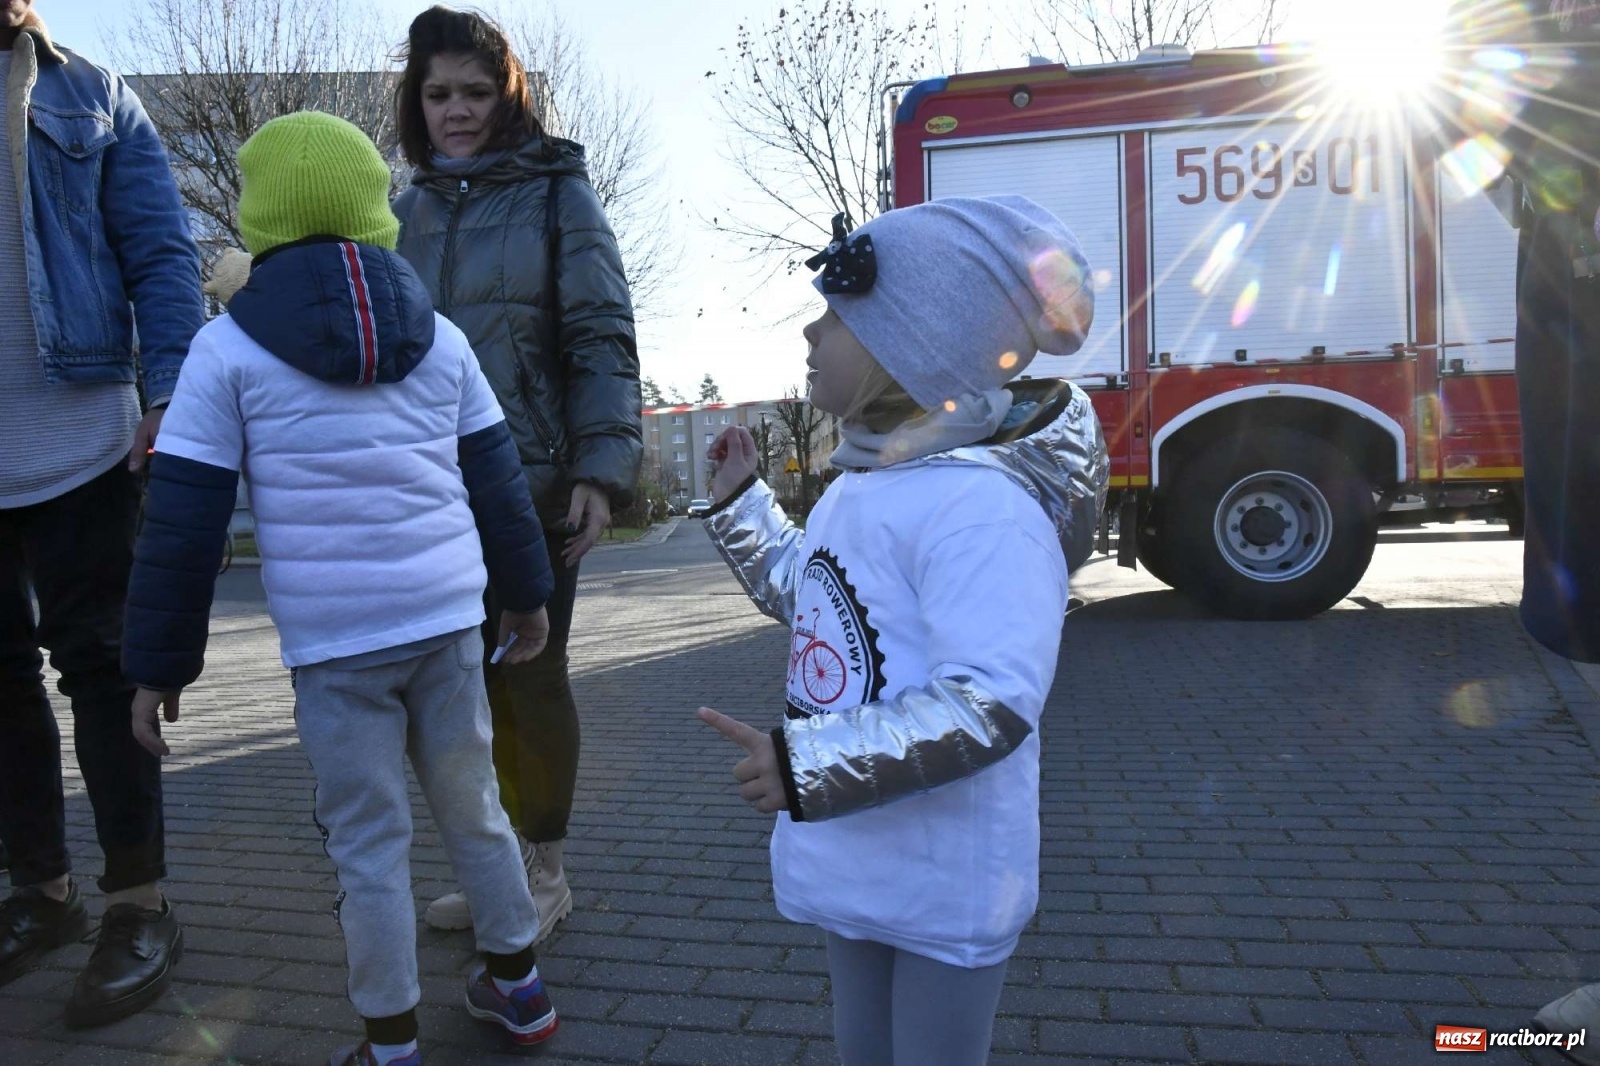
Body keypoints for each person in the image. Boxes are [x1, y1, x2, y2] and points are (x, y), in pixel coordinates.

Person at [121, 111, 562, 1065]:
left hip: (335, 646)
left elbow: (184, 524)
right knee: (477, 809)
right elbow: (499, 484)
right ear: (375, 209)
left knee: (369, 844)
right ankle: (519, 989)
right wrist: (527, 598)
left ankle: (392, 1043)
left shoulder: (225, 351)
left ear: (261, 217)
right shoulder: (442, 338)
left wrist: (158, 667)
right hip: (448, 623)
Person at [696, 197, 1108, 1065]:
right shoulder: (862, 485)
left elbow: (992, 699)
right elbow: (818, 601)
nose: (811, 333)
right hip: (855, 852)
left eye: (837, 317)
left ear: (914, 346)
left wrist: (811, 765)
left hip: (943, 874)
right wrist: (742, 507)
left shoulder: (982, 510)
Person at [390, 4, 642, 941]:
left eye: (475, 92)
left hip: (535, 483)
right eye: (438, 94)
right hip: (428, 490)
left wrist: (598, 471)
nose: (457, 110)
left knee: (530, 680)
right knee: (458, 694)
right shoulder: (402, 212)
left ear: (508, 97)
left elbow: (600, 335)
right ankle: (496, 869)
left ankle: (546, 872)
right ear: (417, 103)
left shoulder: (558, 194)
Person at [0, 3, 202, 1027]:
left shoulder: (91, 93)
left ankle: (138, 903)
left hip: (82, 438)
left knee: (105, 670)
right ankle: (42, 892)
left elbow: (162, 254)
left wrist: (170, 392)